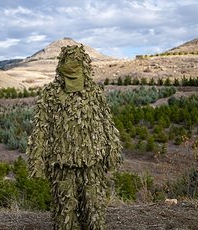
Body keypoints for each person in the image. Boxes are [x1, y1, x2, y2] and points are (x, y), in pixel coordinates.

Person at [27, 45, 122, 230]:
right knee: (65, 214)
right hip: (62, 165)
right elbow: (41, 130)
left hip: (92, 163)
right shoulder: (50, 94)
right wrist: (36, 161)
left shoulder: (94, 93)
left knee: (94, 210)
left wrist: (113, 153)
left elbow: (106, 123)